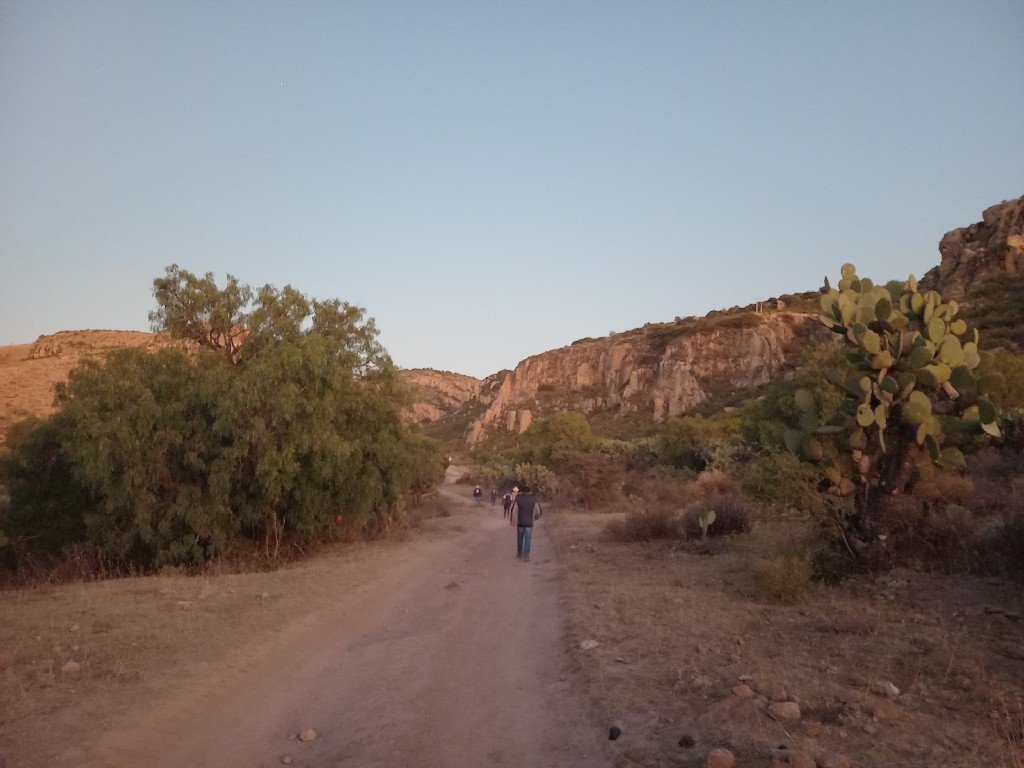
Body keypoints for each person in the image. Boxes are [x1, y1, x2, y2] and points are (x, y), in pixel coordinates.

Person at [509, 484, 542, 562]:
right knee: (528, 539)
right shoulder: (533, 499)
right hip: (529, 523)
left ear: (522, 492)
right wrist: (535, 518)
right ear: (530, 492)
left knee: (520, 539)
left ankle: (519, 554)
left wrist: (513, 521)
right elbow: (538, 512)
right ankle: (526, 556)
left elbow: (514, 511)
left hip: (520, 523)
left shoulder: (518, 499)